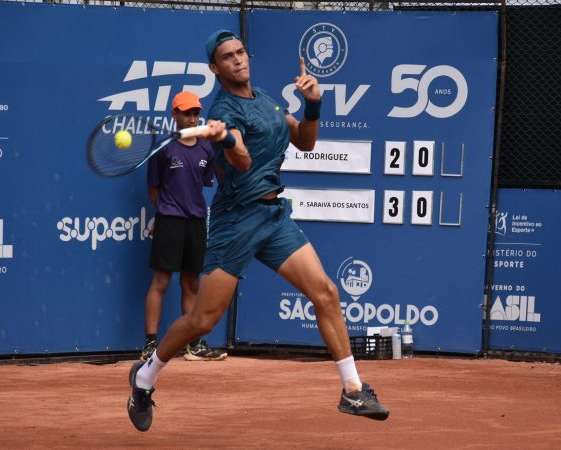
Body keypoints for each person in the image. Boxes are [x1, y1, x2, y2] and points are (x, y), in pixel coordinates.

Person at [127, 29, 389, 432]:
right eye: (228, 56)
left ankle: (352, 390)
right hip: (236, 222)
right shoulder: (224, 112)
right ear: (215, 68)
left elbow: (304, 141)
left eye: (241, 52)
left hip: (273, 216)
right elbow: (244, 161)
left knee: (326, 292)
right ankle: (145, 378)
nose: (238, 59)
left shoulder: (266, 100)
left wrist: (314, 104)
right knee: (202, 321)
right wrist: (228, 137)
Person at [141, 91, 227, 362]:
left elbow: (202, 183)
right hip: (170, 222)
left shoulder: (207, 148)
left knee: (192, 283)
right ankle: (150, 344)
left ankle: (194, 345)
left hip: (197, 222)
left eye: (195, 113)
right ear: (174, 114)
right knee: (161, 282)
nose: (192, 118)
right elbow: (154, 189)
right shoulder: (163, 147)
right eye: (186, 113)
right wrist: (165, 212)